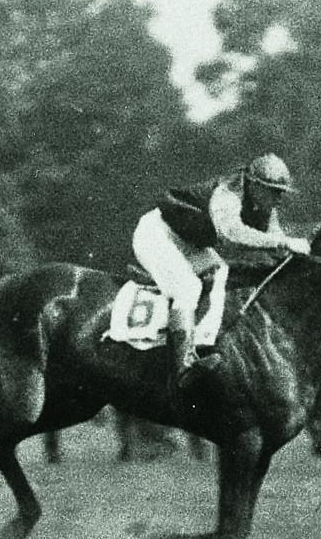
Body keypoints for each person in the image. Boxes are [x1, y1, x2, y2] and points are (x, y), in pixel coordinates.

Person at [120, 151, 310, 376]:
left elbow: (276, 249)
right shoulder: (227, 195)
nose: (279, 198)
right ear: (254, 185)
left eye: (281, 193)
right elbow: (231, 233)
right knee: (188, 287)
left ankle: (202, 345)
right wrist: (285, 242)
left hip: (186, 240)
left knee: (220, 272)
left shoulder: (266, 209)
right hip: (156, 234)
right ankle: (183, 366)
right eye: (274, 192)